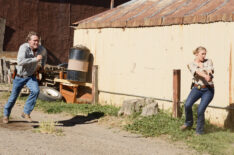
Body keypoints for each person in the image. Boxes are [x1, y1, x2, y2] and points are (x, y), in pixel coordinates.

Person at [3, 31, 47, 124]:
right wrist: (36, 59)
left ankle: (26, 112)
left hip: (31, 76)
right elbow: (20, 62)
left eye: (37, 41)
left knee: (36, 91)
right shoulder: (23, 48)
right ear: (29, 41)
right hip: (20, 76)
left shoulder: (41, 49)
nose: (36, 43)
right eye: (34, 41)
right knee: (13, 98)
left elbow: (44, 56)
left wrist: (42, 66)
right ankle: (6, 115)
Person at [181, 46, 214, 135]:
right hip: (197, 88)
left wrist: (210, 75)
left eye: (205, 54)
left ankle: (199, 131)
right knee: (187, 104)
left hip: (208, 90)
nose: (204, 56)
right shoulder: (191, 64)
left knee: (200, 110)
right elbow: (197, 72)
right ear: (196, 54)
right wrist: (205, 76)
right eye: (202, 54)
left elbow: (210, 70)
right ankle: (188, 123)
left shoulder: (208, 61)